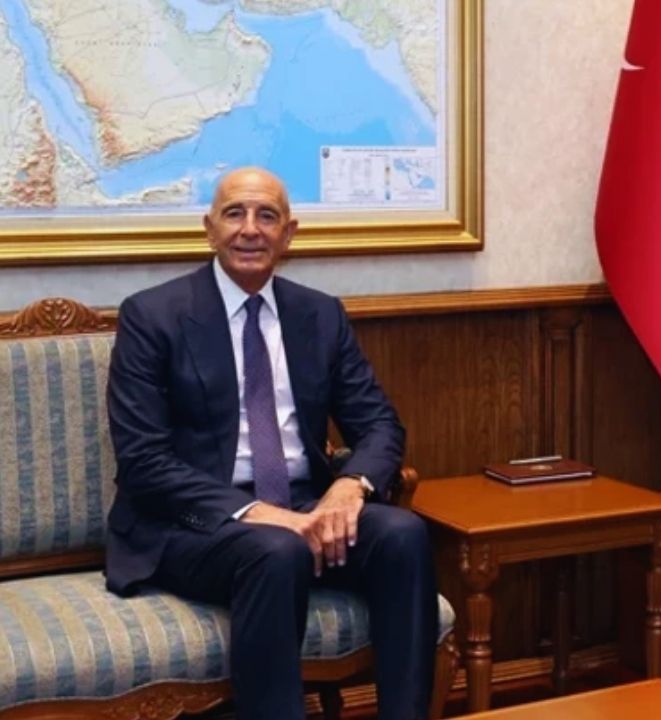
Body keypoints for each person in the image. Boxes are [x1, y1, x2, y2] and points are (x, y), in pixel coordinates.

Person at [105, 167, 437, 720]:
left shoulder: (319, 314)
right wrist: (262, 515)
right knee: (277, 549)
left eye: (267, 216)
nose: (250, 229)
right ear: (209, 228)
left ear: (289, 233)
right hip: (194, 524)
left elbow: (380, 424)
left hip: (305, 506)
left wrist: (349, 488)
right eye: (234, 214)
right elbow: (143, 461)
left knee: (403, 533)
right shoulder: (153, 315)